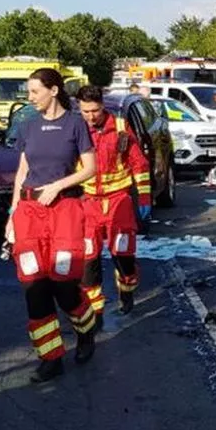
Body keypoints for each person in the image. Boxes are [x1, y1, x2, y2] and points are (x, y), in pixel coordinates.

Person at [7, 68, 97, 383]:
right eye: (29, 92)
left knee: (63, 283)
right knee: (34, 286)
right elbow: (22, 171)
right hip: (30, 212)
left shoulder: (75, 124)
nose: (30, 98)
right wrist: (12, 214)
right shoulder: (27, 126)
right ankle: (50, 357)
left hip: (65, 210)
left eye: (34, 91)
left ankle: (86, 331)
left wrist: (58, 186)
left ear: (53, 90)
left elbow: (90, 169)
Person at [75, 85, 151, 330]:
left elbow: (138, 164)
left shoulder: (120, 128)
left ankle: (127, 289)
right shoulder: (76, 130)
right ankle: (95, 311)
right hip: (88, 203)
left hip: (119, 201)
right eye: (85, 111)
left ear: (102, 106)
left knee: (124, 256)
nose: (90, 117)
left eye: (95, 111)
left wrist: (145, 200)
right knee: (89, 261)